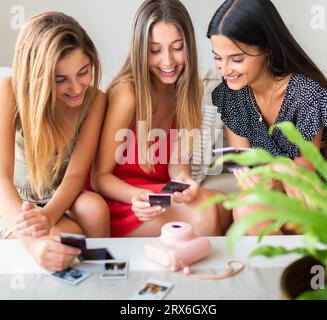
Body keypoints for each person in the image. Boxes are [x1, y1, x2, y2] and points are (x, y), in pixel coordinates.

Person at [0, 12, 109, 271]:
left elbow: (75, 174)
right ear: (36, 77)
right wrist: (32, 240)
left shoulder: (95, 100)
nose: (76, 88)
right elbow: (0, 180)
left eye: (83, 72)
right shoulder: (8, 91)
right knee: (62, 241)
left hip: (54, 198)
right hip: (5, 202)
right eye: (60, 80)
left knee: (94, 208)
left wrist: (47, 215)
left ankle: (108, 281)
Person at [86, 0, 231, 237]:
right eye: (155, 50)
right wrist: (137, 198)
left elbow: (177, 163)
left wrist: (183, 181)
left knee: (226, 206)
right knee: (206, 214)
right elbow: (99, 178)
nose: (167, 61)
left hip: (158, 192)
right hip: (124, 198)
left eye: (177, 47)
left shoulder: (189, 89)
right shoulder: (127, 93)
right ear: (141, 50)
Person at [207, 0, 327, 235]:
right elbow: (245, 164)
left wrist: (277, 170)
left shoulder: (305, 94)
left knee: (250, 211)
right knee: (246, 209)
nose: (224, 70)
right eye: (217, 58)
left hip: (311, 196)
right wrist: (257, 176)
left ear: (268, 49)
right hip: (269, 196)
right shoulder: (232, 95)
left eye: (236, 59)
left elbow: (303, 174)